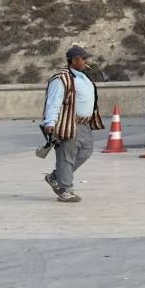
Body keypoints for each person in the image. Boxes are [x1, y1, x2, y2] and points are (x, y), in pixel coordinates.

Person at [39, 45, 102, 203]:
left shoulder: (83, 77)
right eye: (83, 58)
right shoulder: (61, 78)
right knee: (66, 157)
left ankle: (55, 177)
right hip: (68, 123)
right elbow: (53, 101)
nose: (86, 61)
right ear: (74, 60)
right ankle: (65, 190)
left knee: (86, 151)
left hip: (85, 124)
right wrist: (50, 122)